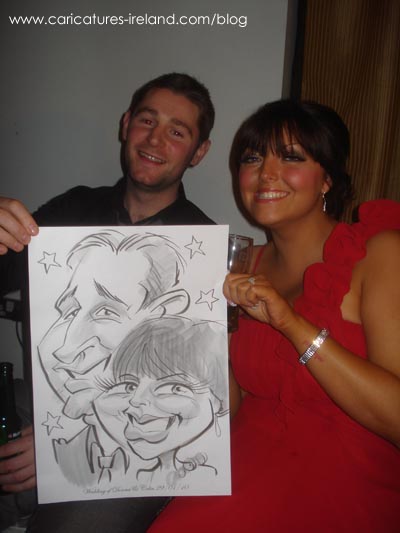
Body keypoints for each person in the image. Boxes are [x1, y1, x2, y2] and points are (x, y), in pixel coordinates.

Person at [149, 100, 400, 532]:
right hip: (246, 460)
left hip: (348, 477)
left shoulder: (379, 255)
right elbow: (231, 403)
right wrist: (198, 337)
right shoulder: (240, 265)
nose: (266, 173)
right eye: (252, 158)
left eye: (291, 157)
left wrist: (291, 323)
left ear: (327, 178)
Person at [0, 72, 215, 532]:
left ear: (198, 152)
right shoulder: (70, 210)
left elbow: (187, 394)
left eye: (177, 132)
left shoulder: (203, 252)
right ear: (125, 124)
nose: (154, 139)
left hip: (130, 431)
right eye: (147, 121)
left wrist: (64, 438)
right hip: (44, 402)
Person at [72, 316, 228, 488]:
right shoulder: (106, 467)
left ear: (218, 400)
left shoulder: (210, 472)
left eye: (174, 388)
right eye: (130, 386)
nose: (136, 400)